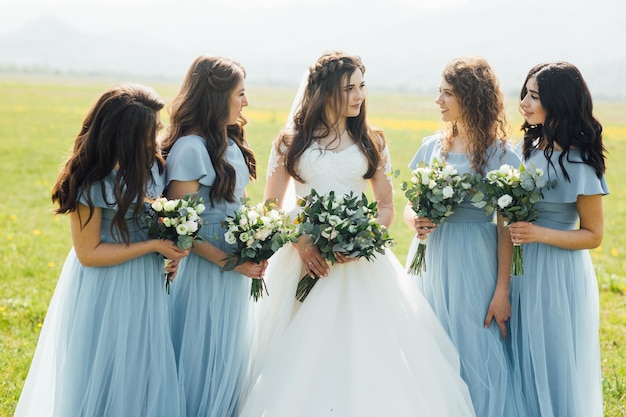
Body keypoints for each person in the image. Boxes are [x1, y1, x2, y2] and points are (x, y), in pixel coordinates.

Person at [239, 51, 476, 417]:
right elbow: (271, 207)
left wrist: (361, 238)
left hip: (360, 263)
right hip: (304, 261)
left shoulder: (371, 140)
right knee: (300, 350)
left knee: (366, 349)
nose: (358, 95)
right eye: (349, 88)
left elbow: (385, 206)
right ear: (324, 91)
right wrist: (302, 242)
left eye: (361, 86)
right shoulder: (291, 141)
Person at [13, 83, 189, 417]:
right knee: (102, 364)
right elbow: (89, 253)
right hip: (105, 286)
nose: (162, 132)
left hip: (144, 282)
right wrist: (152, 244)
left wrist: (168, 249)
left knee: (140, 365)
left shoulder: (152, 165)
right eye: (154, 127)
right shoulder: (92, 178)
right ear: (126, 133)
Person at [402, 57, 526, 417]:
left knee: (476, 343)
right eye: (439, 92)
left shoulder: (502, 154)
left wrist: (501, 291)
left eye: (447, 93)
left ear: (470, 97)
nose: (438, 101)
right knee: (429, 340)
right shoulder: (431, 146)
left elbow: (506, 228)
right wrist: (415, 222)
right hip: (430, 256)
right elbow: (410, 206)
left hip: (475, 257)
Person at [160, 55, 266, 417]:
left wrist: (257, 240)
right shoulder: (190, 148)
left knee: (227, 356)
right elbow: (178, 228)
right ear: (216, 96)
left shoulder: (230, 143)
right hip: (203, 273)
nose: (246, 102)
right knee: (200, 354)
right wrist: (231, 262)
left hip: (234, 271)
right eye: (240, 93)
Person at [507, 62, 608, 417]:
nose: (524, 102)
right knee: (517, 356)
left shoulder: (580, 162)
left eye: (534, 96)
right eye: (525, 93)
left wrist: (538, 234)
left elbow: (594, 235)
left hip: (556, 274)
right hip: (516, 270)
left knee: (552, 360)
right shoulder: (523, 150)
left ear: (559, 102)